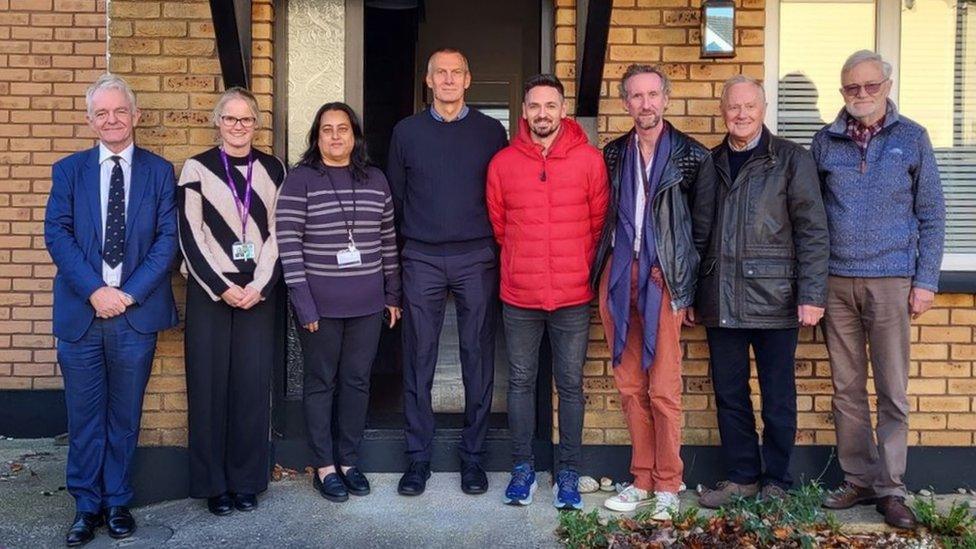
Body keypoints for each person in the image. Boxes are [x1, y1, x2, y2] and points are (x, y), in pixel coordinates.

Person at [812, 50, 945, 529]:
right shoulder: (824, 142)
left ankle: (891, 488)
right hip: (836, 281)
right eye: (852, 88)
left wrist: (926, 280)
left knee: (892, 389)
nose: (862, 95)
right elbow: (812, 218)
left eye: (871, 86)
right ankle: (859, 478)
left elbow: (931, 213)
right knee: (846, 389)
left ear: (887, 86)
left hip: (892, 280)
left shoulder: (911, 138)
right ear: (842, 91)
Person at [45, 74, 179, 546]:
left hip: (133, 314)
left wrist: (127, 293)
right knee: (84, 416)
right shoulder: (69, 171)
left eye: (120, 110)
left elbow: (168, 242)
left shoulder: (160, 172)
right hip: (83, 314)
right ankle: (86, 505)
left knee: (124, 415)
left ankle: (118, 500)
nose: (112, 119)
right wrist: (96, 291)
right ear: (89, 121)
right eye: (101, 113)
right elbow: (57, 235)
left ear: (136, 115)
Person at [692, 75, 829, 509]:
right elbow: (699, 235)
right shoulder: (710, 163)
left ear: (764, 108)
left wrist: (812, 293)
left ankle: (777, 481)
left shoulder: (791, 160)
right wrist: (692, 296)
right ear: (722, 110)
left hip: (777, 298)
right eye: (734, 106)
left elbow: (812, 230)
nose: (742, 114)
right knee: (730, 395)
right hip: (722, 299)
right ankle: (742, 478)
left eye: (750, 106)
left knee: (777, 396)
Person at [386, 47, 508, 496]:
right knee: (419, 358)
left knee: (477, 357)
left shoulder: (491, 132)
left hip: (476, 254)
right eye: (442, 73)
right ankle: (418, 459)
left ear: (468, 79)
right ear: (429, 81)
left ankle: (472, 459)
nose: (450, 80)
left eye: (457, 72)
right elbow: (395, 200)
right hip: (420, 255)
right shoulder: (406, 132)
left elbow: (501, 195)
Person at [486, 74, 609, 509]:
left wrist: (574, 263)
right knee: (520, 382)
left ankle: (568, 474)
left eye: (550, 105)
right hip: (520, 293)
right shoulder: (503, 163)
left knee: (570, 384)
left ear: (563, 110)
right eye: (534, 106)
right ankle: (522, 469)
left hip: (573, 294)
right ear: (524, 112)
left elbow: (598, 225)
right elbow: (500, 226)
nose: (542, 114)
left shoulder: (590, 161)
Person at [591, 64, 707, 518]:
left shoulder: (691, 156)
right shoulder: (613, 154)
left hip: (664, 279)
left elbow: (702, 231)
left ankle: (668, 484)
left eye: (653, 94)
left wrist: (687, 288)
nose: (646, 104)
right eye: (636, 96)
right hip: (620, 276)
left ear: (666, 98)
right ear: (625, 103)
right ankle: (640, 479)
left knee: (663, 389)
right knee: (629, 386)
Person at [277, 102, 401, 503]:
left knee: (356, 382)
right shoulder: (301, 181)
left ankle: (348, 460)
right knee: (320, 383)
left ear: (354, 136)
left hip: (367, 306)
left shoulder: (377, 180)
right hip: (320, 308)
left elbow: (387, 241)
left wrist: (392, 293)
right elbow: (289, 247)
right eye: (327, 129)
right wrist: (303, 302)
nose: (335, 136)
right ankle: (324, 466)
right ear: (317, 137)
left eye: (343, 129)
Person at [176, 87, 285, 516]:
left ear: (256, 124)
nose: (238, 127)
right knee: (208, 389)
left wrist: (260, 284)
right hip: (211, 294)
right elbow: (190, 234)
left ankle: (246, 482)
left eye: (246, 120)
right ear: (217, 121)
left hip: (258, 294)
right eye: (230, 119)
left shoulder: (273, 169)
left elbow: (280, 233)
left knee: (251, 391)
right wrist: (221, 286)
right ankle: (213, 484)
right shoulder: (196, 169)